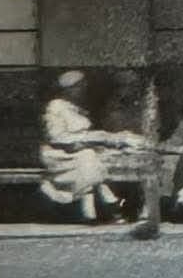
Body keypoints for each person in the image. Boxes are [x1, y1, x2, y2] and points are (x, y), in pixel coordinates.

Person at [37, 71, 142, 222]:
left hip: (79, 151)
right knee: (88, 158)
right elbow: (57, 137)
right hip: (59, 154)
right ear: (70, 89)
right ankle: (109, 203)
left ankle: (92, 210)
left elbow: (86, 135)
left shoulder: (77, 107)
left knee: (92, 157)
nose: (83, 90)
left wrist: (104, 139)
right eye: (80, 87)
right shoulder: (55, 107)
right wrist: (94, 138)